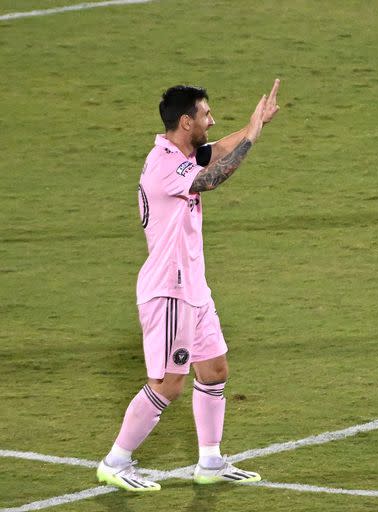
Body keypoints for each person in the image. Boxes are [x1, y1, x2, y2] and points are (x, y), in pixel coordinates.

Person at [96, 80, 281, 491]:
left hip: (193, 286)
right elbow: (212, 177)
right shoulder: (164, 165)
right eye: (205, 115)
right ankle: (116, 460)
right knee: (168, 384)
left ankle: (210, 462)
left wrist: (256, 125)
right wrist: (250, 137)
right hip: (169, 289)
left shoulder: (181, 152)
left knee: (214, 369)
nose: (211, 121)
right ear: (185, 121)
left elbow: (212, 152)